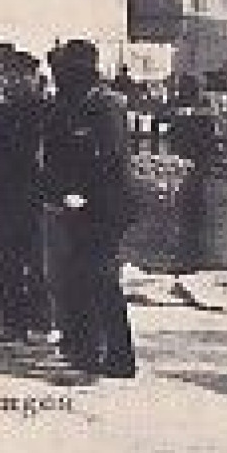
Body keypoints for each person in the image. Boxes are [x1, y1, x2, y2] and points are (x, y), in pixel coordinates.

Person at [43, 39, 137, 379]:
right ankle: (87, 349)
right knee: (80, 277)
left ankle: (118, 357)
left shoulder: (105, 106)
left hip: (106, 206)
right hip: (79, 205)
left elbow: (108, 158)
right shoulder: (74, 104)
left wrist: (82, 192)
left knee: (101, 279)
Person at [0, 53, 50, 342]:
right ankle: (13, 322)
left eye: (24, 76)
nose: (18, 81)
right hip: (9, 195)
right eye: (13, 76)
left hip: (37, 194)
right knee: (8, 259)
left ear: (34, 78)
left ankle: (41, 320)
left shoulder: (47, 111)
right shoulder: (3, 112)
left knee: (38, 260)